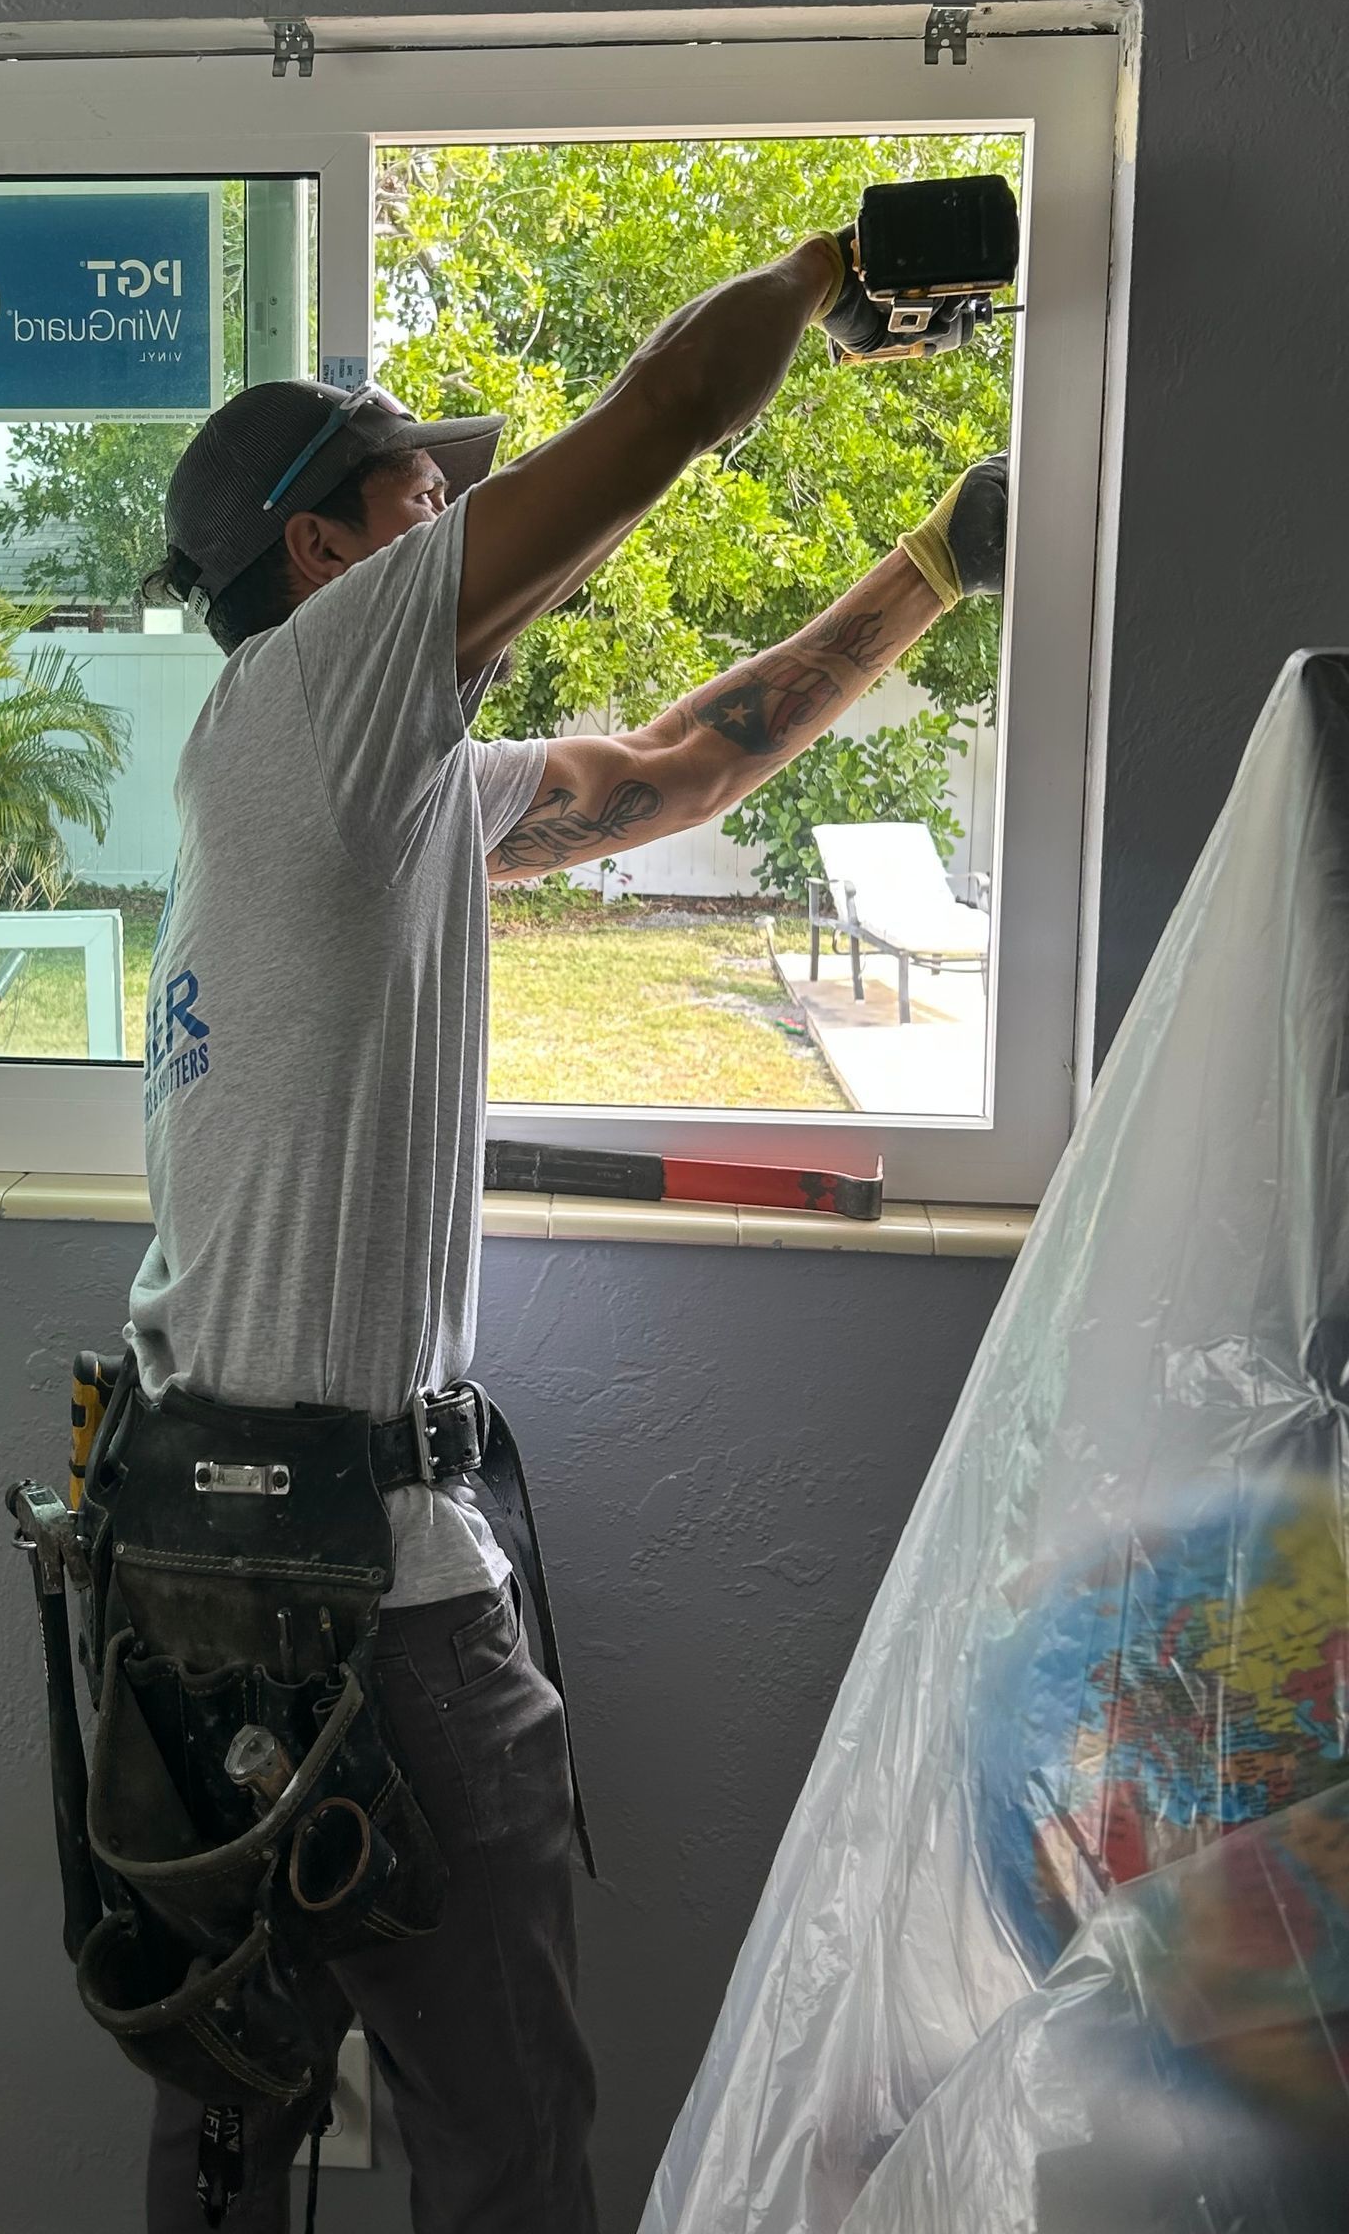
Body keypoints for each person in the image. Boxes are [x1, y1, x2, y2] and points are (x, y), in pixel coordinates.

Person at [122, 224, 1007, 2232]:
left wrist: (935, 566)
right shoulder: (316, 695)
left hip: (201, 1569)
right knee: (504, 2139)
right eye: (427, 486)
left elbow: (693, 760)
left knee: (231, 2117)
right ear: (336, 555)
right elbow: (665, 419)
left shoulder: (378, 777)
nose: (467, 514)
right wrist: (826, 271)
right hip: (353, 1583)